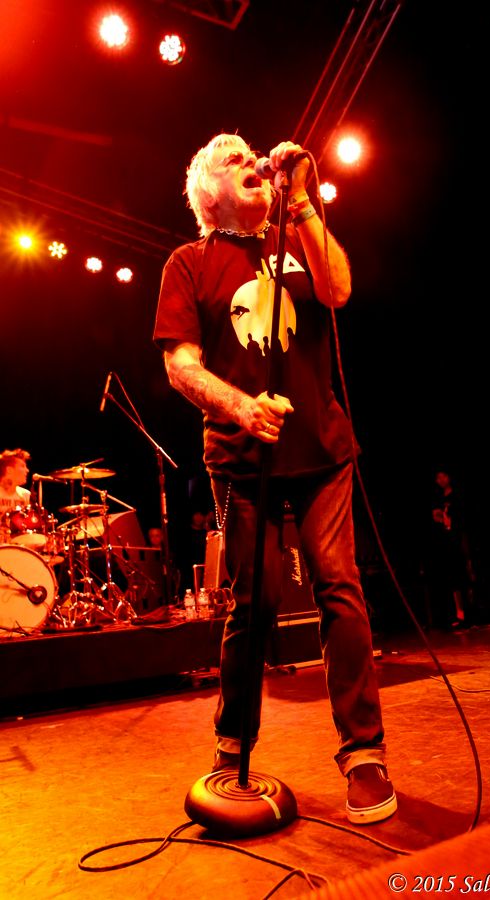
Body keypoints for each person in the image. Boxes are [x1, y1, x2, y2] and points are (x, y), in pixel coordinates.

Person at [153, 134, 396, 825]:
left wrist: (307, 201)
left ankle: (364, 753)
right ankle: (233, 746)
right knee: (253, 600)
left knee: (339, 584)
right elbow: (179, 365)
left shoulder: (295, 234)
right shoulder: (189, 262)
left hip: (321, 449)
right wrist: (240, 407)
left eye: (250, 154)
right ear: (209, 192)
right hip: (239, 456)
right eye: (231, 159)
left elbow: (338, 290)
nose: (250, 161)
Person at [426, 468, 475, 630]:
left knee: (465, 577)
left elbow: (461, 518)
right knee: (454, 580)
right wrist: (441, 517)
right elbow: (436, 516)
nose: (440, 480)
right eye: (437, 478)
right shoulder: (438, 498)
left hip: (458, 540)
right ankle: (460, 614)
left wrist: (452, 521)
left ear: (448, 477)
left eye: (442, 477)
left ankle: (471, 613)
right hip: (447, 542)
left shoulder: (457, 495)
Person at [0, 448, 33, 543]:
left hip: (17, 543)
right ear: (9, 470)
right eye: (22, 466)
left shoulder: (25, 495)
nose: (27, 470)